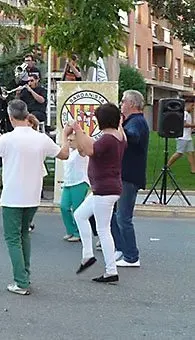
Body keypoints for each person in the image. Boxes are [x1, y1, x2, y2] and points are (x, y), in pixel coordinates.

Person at [0, 99, 70, 295]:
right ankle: (24, 275)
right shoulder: (41, 138)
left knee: (12, 238)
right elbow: (63, 155)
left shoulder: (7, 139)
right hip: (33, 195)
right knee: (24, 234)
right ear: (27, 115)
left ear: (10, 117)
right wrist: (67, 137)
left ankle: (21, 281)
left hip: (13, 196)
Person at [72, 103, 127, 284]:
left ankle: (111, 270)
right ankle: (88, 254)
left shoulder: (107, 139)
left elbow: (89, 150)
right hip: (106, 188)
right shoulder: (119, 137)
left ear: (100, 121)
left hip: (104, 189)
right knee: (80, 215)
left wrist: (77, 129)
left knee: (103, 230)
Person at [111, 90, 149, 268]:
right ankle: (120, 247)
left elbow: (132, 136)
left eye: (123, 101)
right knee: (114, 215)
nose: (121, 104)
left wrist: (119, 126)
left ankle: (131, 256)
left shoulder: (137, 122)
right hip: (123, 175)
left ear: (132, 104)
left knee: (123, 217)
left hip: (129, 176)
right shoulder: (133, 121)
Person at [59, 132, 89, 242]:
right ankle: (70, 230)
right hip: (68, 183)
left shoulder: (81, 151)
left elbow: (81, 147)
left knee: (77, 209)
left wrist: (78, 130)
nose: (69, 142)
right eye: (69, 140)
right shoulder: (70, 151)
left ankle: (78, 233)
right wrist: (65, 136)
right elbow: (63, 151)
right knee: (64, 207)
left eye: (72, 140)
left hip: (79, 182)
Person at [166, 98, 195, 173]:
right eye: (192, 106)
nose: (193, 108)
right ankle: (167, 166)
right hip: (183, 137)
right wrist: (193, 125)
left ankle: (193, 169)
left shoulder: (189, 114)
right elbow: (183, 124)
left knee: (191, 152)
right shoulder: (184, 113)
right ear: (187, 105)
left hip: (188, 137)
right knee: (179, 153)